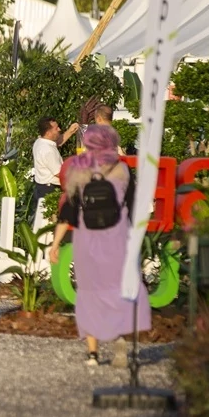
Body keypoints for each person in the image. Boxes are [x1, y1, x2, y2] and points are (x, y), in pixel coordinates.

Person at [49, 125, 148, 366]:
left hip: (88, 240)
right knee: (118, 290)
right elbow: (135, 209)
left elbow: (68, 212)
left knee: (89, 294)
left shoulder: (78, 168)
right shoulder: (122, 169)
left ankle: (93, 354)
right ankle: (120, 341)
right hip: (118, 238)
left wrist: (55, 244)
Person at [32, 116, 80, 209]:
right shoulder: (48, 150)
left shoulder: (40, 142)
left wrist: (70, 131)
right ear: (48, 133)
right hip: (49, 190)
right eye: (56, 128)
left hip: (41, 187)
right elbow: (59, 173)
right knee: (51, 219)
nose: (59, 129)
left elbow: (58, 142)